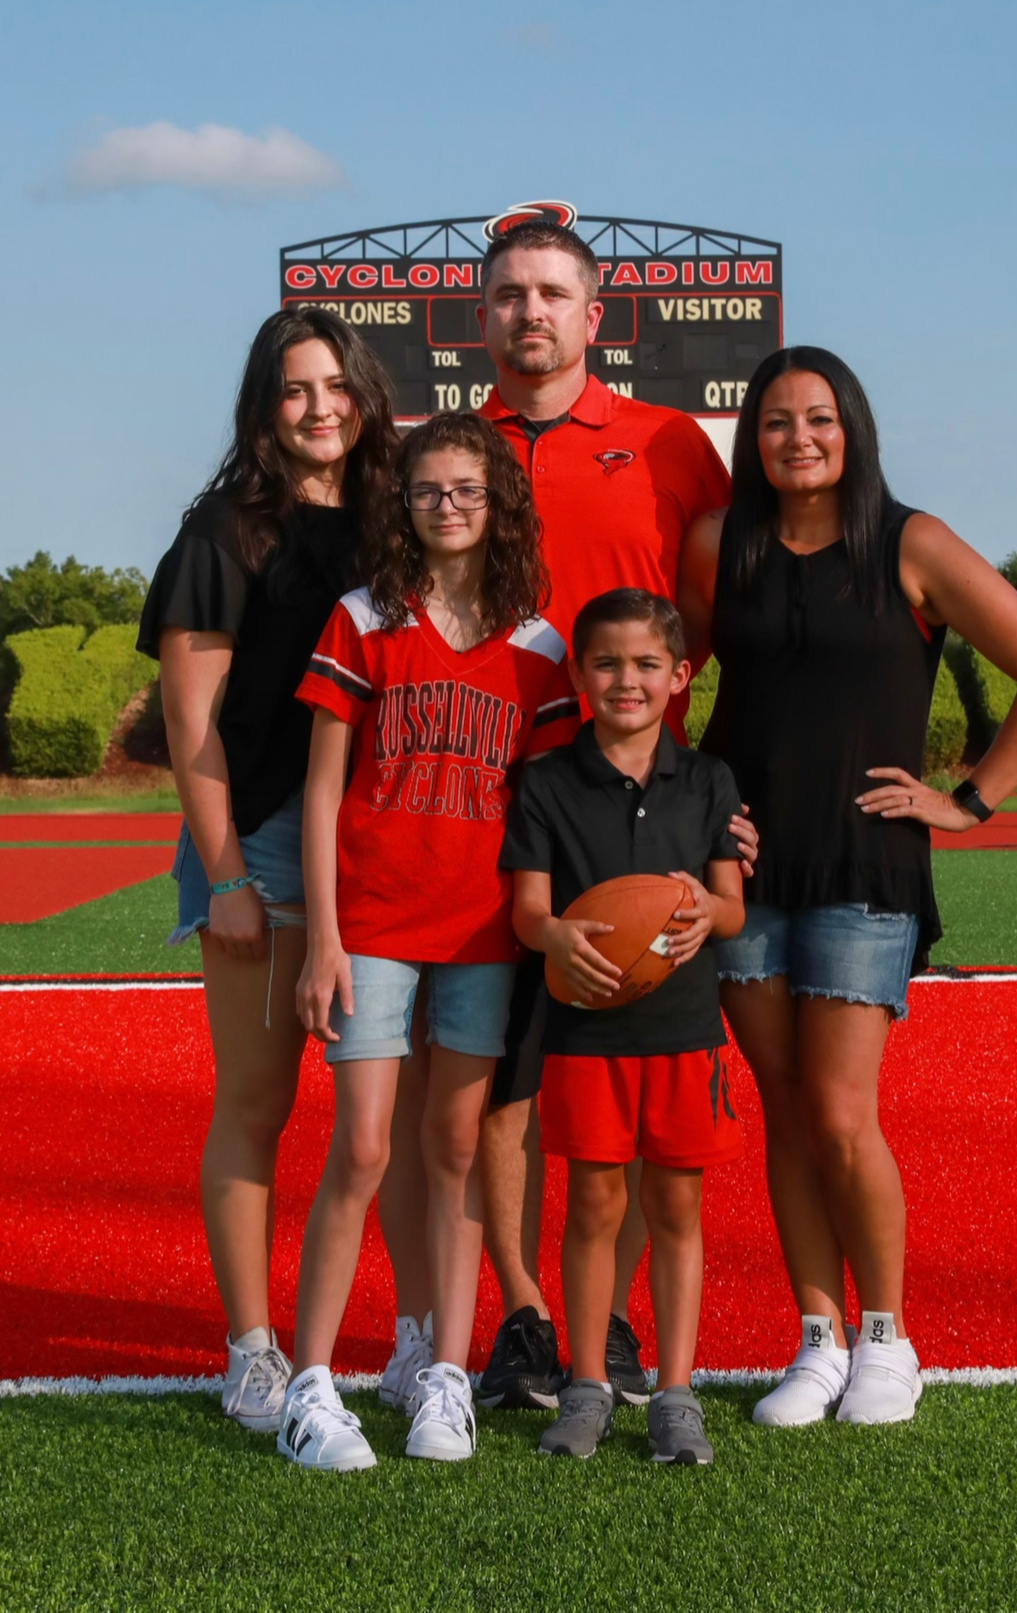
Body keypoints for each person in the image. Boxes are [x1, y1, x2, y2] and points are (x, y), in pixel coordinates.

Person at [376, 222, 755, 1412]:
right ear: (478, 319)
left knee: (633, 1052)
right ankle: (526, 1314)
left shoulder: (672, 443)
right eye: (506, 296)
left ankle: (619, 1320)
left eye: (551, 293)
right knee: (500, 1084)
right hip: (488, 798)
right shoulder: (447, 453)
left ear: (596, 313)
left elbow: (715, 629)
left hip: (639, 800)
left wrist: (719, 797)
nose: (528, 312)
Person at [677, 346, 1017, 1425]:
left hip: (865, 862)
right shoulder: (720, 544)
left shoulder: (914, 544)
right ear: (750, 439)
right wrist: (684, 806)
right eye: (773, 421)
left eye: (817, 418)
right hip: (749, 864)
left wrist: (969, 798)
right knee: (782, 1106)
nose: (796, 438)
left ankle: (887, 1338)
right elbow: (663, 682)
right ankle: (814, 1338)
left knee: (841, 1111)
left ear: (852, 428)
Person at [278, 413, 580, 1469]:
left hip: (485, 935)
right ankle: (310, 1384)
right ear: (399, 504)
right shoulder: (364, 616)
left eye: (466, 488)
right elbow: (322, 789)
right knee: (363, 1147)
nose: (446, 506)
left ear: (499, 502)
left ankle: (443, 1377)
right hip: (372, 926)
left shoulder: (539, 644)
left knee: (453, 1154)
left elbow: (550, 804)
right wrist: (322, 936)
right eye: (426, 490)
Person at [137, 308, 399, 1431]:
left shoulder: (397, 521)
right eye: (294, 389)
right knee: (259, 1099)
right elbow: (192, 728)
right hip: (264, 837)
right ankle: (252, 1346)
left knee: (395, 1114)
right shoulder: (222, 532)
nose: (319, 406)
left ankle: (422, 1339)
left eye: (335, 384)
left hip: (385, 840)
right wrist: (229, 874)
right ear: (263, 406)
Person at [502, 589, 745, 1463]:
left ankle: (676, 1391)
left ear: (680, 676)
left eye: (647, 664)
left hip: (685, 1031)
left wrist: (703, 907)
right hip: (586, 1032)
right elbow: (529, 911)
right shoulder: (547, 782)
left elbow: (734, 907)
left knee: (676, 1205)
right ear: (578, 674)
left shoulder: (710, 778)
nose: (626, 680)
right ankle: (589, 1382)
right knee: (596, 1203)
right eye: (606, 663)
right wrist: (557, 935)